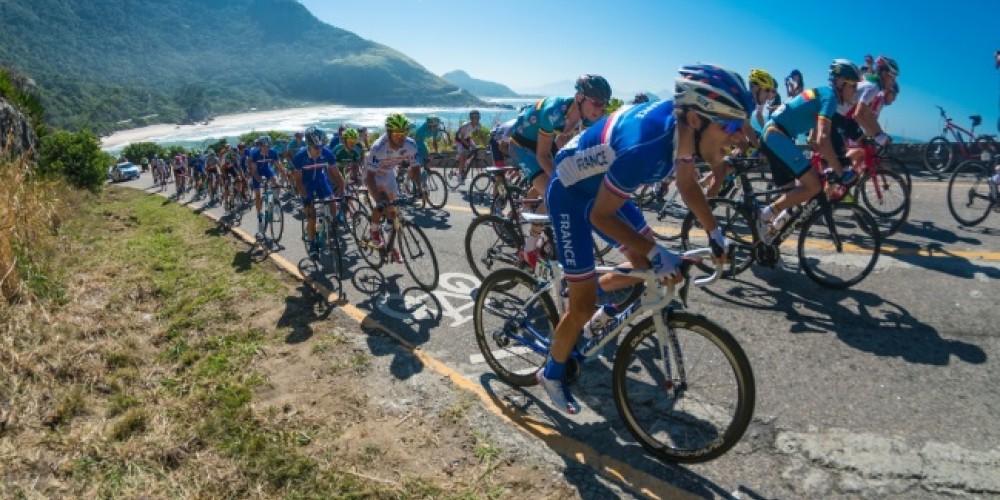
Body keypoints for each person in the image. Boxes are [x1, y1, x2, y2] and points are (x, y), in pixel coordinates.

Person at [535, 64, 746, 415]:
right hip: (573, 196)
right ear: (697, 119)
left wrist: (715, 233)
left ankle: (588, 291)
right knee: (587, 302)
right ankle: (552, 373)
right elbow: (599, 216)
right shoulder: (645, 146)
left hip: (604, 187)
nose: (738, 137)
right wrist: (656, 250)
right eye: (732, 126)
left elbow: (687, 183)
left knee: (644, 265)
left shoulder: (682, 130)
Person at [509, 74, 612, 265]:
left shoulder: (587, 116)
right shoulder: (553, 111)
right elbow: (542, 155)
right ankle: (528, 248)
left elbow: (567, 143)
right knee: (554, 193)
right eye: (597, 103)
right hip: (522, 146)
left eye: (604, 104)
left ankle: (540, 221)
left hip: (544, 144)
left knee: (569, 186)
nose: (601, 109)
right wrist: (564, 179)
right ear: (580, 97)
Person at [756, 59, 861, 244]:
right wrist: (839, 171)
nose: (854, 91)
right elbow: (822, 139)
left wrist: (829, 165)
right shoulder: (830, 98)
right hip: (777, 136)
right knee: (813, 186)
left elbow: (813, 140)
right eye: (853, 85)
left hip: (774, 135)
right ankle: (764, 215)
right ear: (841, 82)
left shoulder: (823, 94)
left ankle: (765, 242)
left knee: (791, 202)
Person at [362, 113, 421, 262]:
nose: (401, 137)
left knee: (394, 212)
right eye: (397, 133)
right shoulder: (378, 148)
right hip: (373, 175)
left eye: (404, 133)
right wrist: (378, 200)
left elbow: (415, 167)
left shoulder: (410, 145)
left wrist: (420, 188)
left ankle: (390, 245)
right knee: (382, 204)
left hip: (388, 173)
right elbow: (369, 177)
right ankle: (374, 230)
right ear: (389, 133)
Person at [291, 126, 345, 258]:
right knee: (311, 216)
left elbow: (336, 174)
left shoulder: (327, 153)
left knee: (332, 203)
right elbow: (298, 181)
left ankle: (328, 223)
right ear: (309, 146)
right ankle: (312, 244)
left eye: (322, 146)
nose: (320, 150)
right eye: (316, 148)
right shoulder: (299, 157)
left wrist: (341, 187)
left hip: (321, 180)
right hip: (306, 183)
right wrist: (306, 198)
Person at [249, 134, 281, 239]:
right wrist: (259, 180)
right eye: (264, 146)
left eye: (268, 146)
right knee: (258, 194)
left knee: (276, 182)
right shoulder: (254, 154)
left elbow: (279, 167)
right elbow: (253, 171)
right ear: (260, 146)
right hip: (256, 172)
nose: (267, 148)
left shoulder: (273, 153)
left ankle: (275, 203)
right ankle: (259, 217)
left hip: (267, 170)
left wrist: (287, 178)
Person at [452, 110, 482, 188]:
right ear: (471, 118)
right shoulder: (465, 126)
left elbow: (478, 135)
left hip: (467, 138)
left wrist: (478, 144)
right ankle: (459, 175)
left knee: (476, 150)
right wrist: (469, 146)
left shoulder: (478, 125)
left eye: (478, 118)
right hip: (459, 140)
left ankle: (467, 163)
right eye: (475, 118)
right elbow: (461, 139)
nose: (477, 120)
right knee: (463, 156)